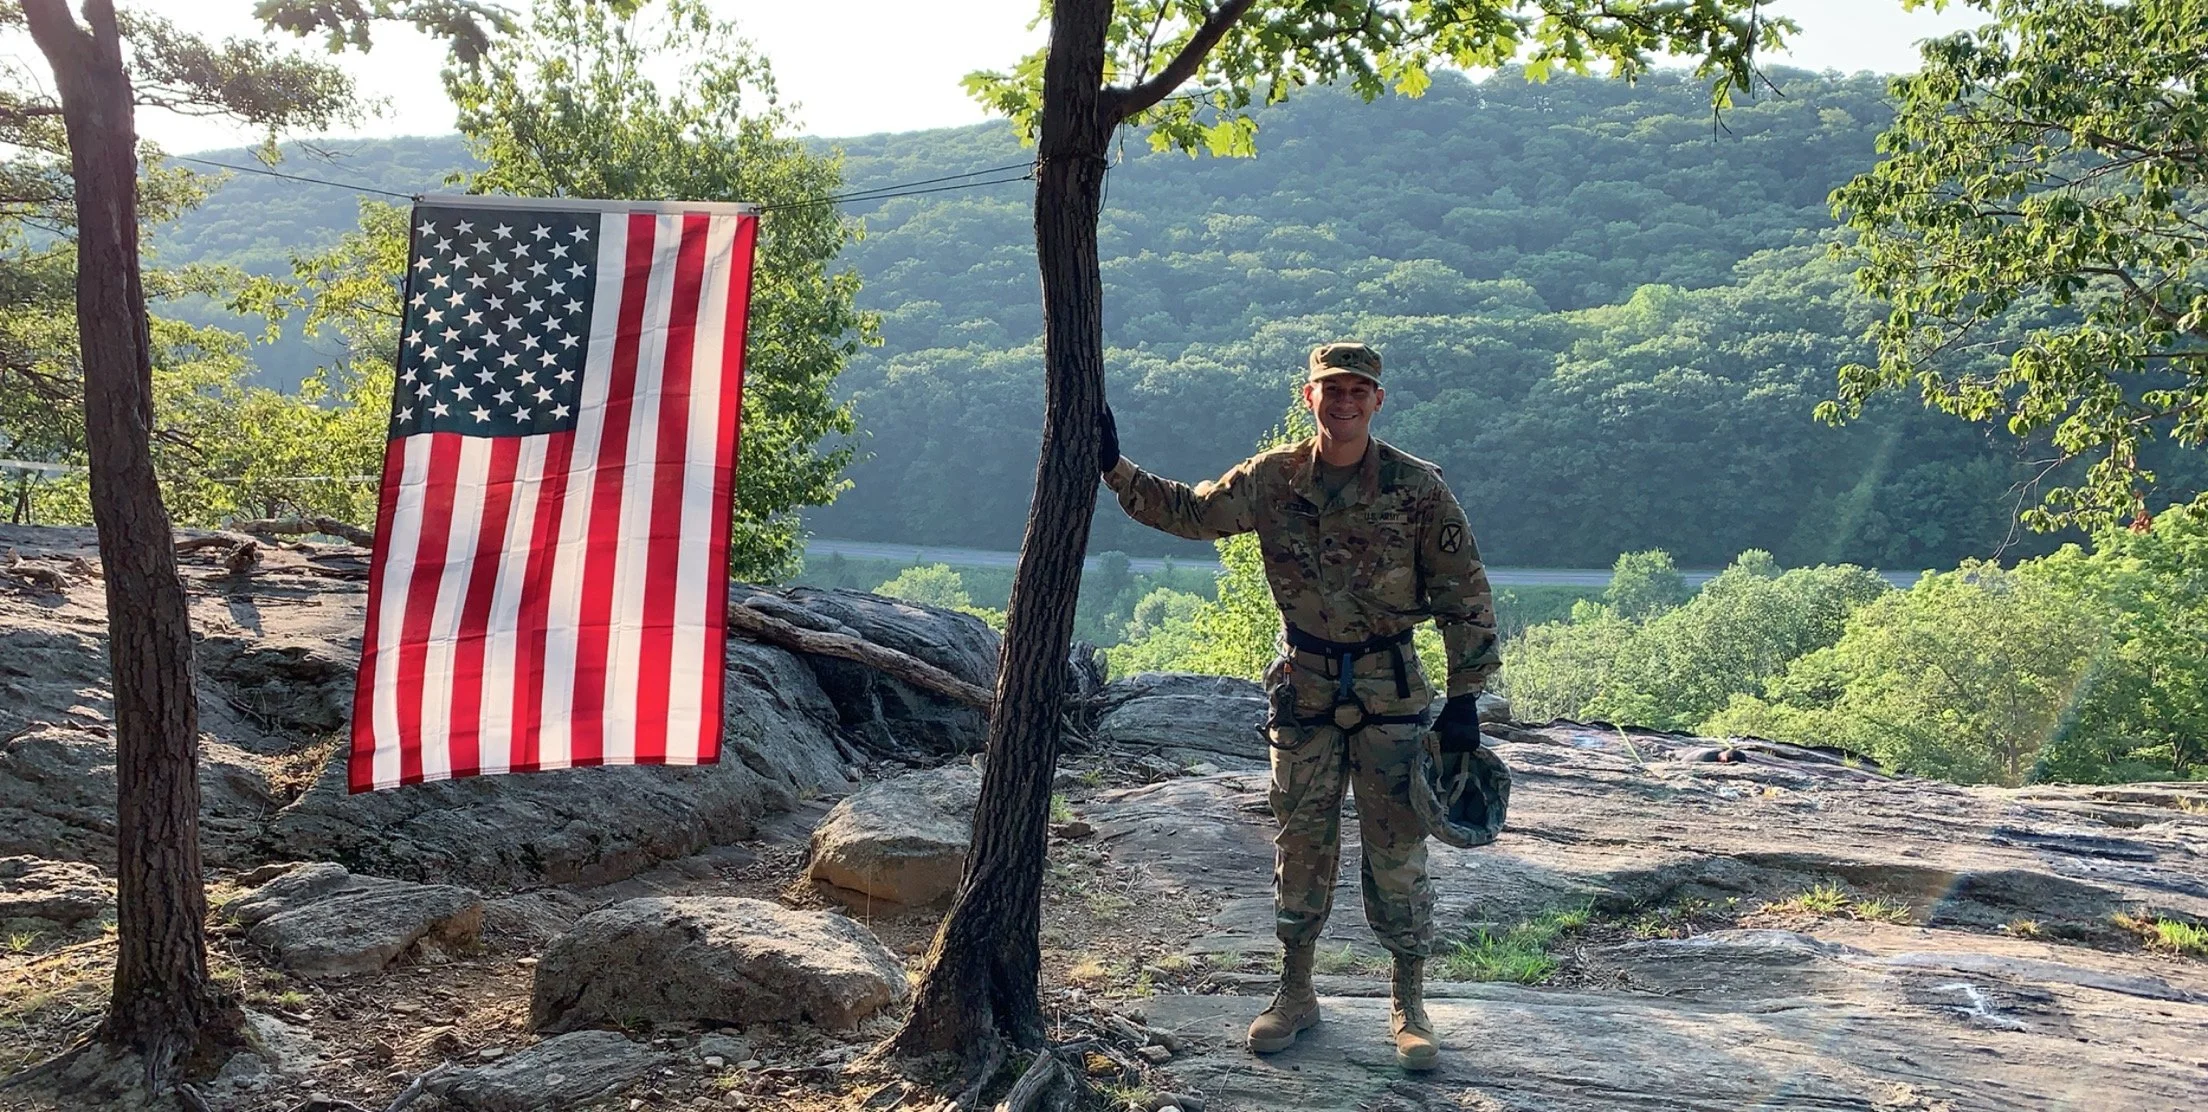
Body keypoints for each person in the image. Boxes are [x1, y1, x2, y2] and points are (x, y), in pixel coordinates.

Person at [1097, 341, 1499, 1072]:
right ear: (1308, 397)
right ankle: (1296, 993)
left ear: (1377, 401)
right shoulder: (1274, 478)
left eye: (1357, 391)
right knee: (1301, 843)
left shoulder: (1416, 489)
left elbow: (1464, 596)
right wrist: (1115, 470)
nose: (1343, 402)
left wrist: (1466, 699)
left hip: (1391, 694)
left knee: (1397, 851)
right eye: (1330, 390)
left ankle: (1409, 1003)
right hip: (1304, 688)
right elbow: (1195, 513)